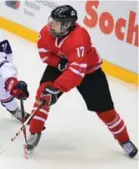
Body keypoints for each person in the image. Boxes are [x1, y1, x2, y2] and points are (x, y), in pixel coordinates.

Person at [26, 5, 138, 158]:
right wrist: (59, 63)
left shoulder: (79, 37)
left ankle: (124, 140)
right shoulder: (46, 33)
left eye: (57, 23)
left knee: (107, 112)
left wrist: (57, 88)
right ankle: (34, 131)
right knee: (43, 95)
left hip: (89, 72)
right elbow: (45, 55)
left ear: (67, 25)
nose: (52, 25)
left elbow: (77, 72)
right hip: (62, 65)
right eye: (52, 20)